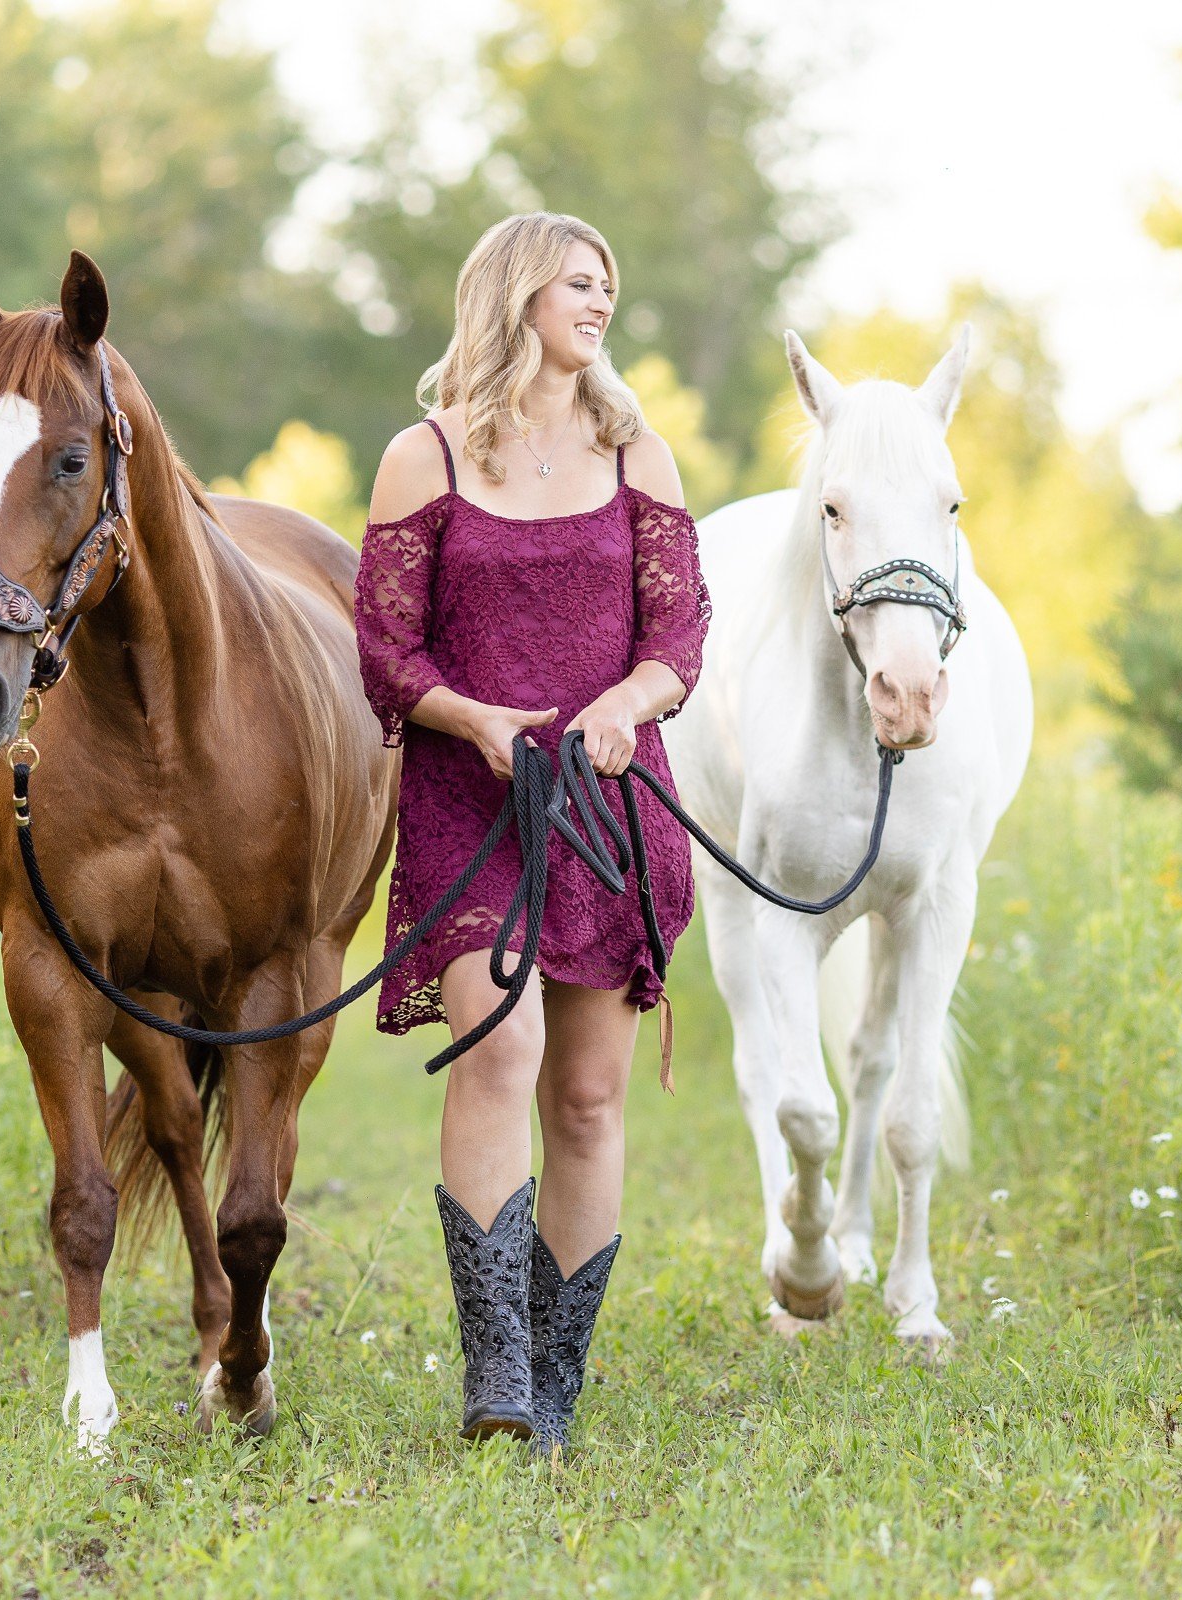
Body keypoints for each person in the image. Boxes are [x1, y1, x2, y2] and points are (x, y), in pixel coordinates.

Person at [353, 211, 710, 1454]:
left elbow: (677, 644)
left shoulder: (638, 454)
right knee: (495, 1052)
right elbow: (385, 652)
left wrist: (622, 702)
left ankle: (554, 1380)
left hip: (612, 805)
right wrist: (470, 717)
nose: (600, 299)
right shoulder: (425, 456)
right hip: (472, 800)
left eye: (608, 281)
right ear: (515, 295)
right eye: (577, 279)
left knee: (589, 1096)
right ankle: (495, 1374)